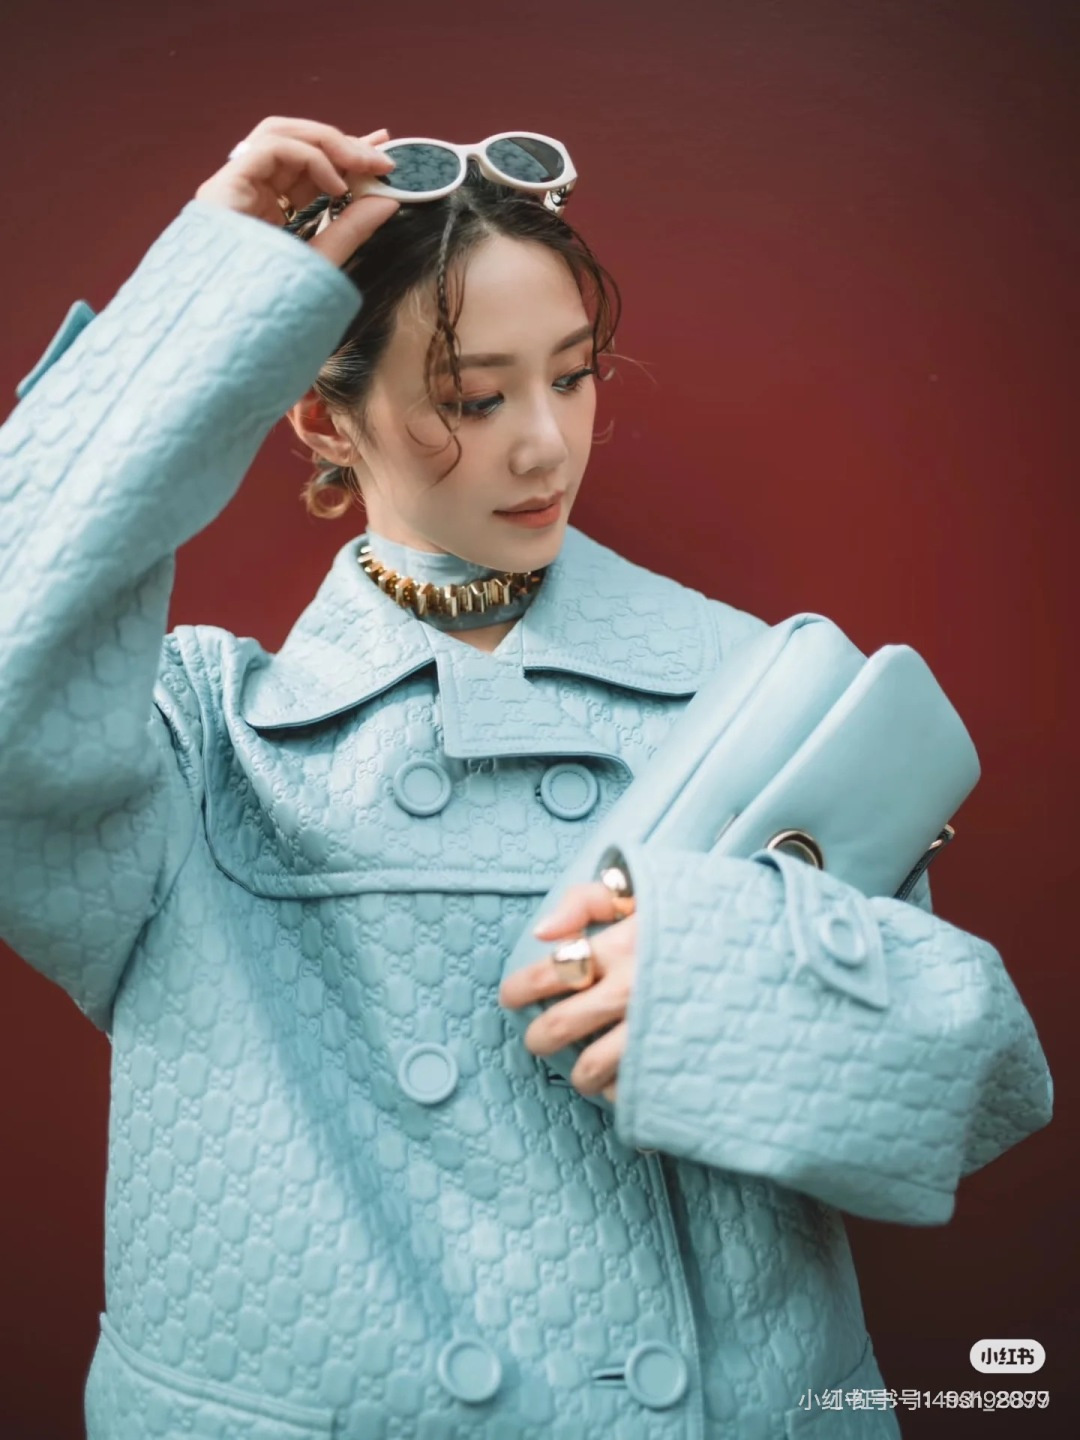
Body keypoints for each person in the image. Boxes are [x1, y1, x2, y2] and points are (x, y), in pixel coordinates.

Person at [0, 116, 1052, 1440]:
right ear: (321, 415)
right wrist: (207, 292)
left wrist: (731, 988)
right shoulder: (200, 741)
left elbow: (976, 1087)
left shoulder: (751, 689)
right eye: (474, 397)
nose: (548, 446)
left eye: (575, 374)